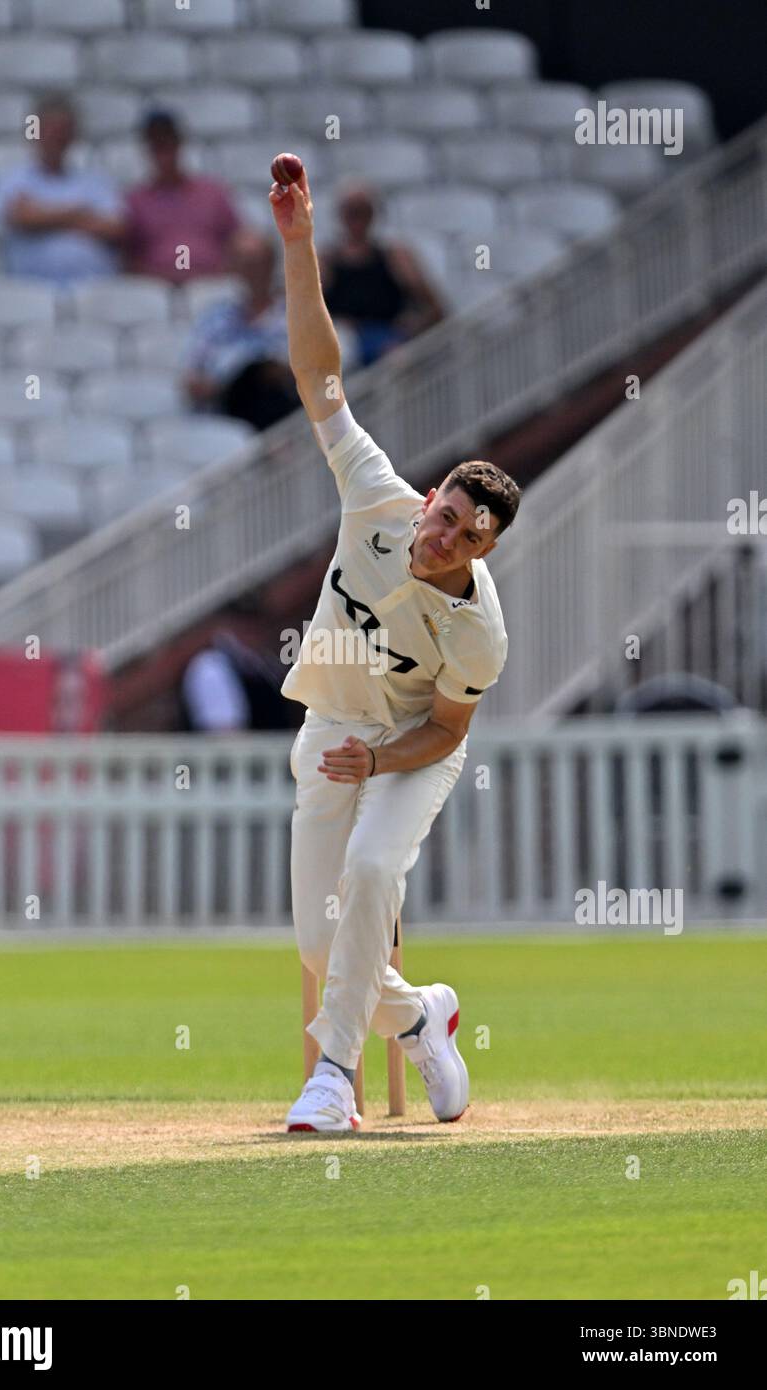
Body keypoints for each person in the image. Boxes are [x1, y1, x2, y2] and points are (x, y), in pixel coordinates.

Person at [270, 162, 521, 1133]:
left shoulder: (479, 630)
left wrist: (379, 758)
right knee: (315, 942)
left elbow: (446, 730)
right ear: (429, 499)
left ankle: (330, 1080)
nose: (442, 538)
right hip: (333, 723)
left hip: (413, 745)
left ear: (482, 550)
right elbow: (316, 377)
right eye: (445, 515)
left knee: (372, 873)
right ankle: (421, 1016)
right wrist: (299, 249)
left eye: (465, 537)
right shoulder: (377, 495)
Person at [0, 96, 124, 286]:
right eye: (49, 130)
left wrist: (44, 215)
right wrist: (80, 214)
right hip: (33, 292)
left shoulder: (95, 182)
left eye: (62, 131)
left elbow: (115, 228)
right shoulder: (14, 179)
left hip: (93, 289)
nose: (55, 138)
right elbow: (21, 217)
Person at [319, 179, 446, 366]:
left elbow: (434, 307)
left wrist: (413, 325)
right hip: (343, 340)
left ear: (373, 214)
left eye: (362, 211)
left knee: (398, 359)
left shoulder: (396, 257)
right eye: (351, 212)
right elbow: (305, 312)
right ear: (341, 215)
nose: (356, 219)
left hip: (387, 340)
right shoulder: (325, 261)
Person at [183, 228, 300, 430]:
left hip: (282, 414)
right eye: (244, 264)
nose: (251, 272)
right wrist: (212, 386)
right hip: (225, 412)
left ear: (271, 265)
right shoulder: (214, 318)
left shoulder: (296, 316)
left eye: (257, 264)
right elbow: (191, 376)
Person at [124, 109, 242, 284]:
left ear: (179, 144)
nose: (163, 155)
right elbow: (127, 257)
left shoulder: (212, 193)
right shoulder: (135, 200)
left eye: (167, 145)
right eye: (157, 147)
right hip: (156, 289)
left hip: (212, 284)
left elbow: (236, 239)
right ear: (148, 150)